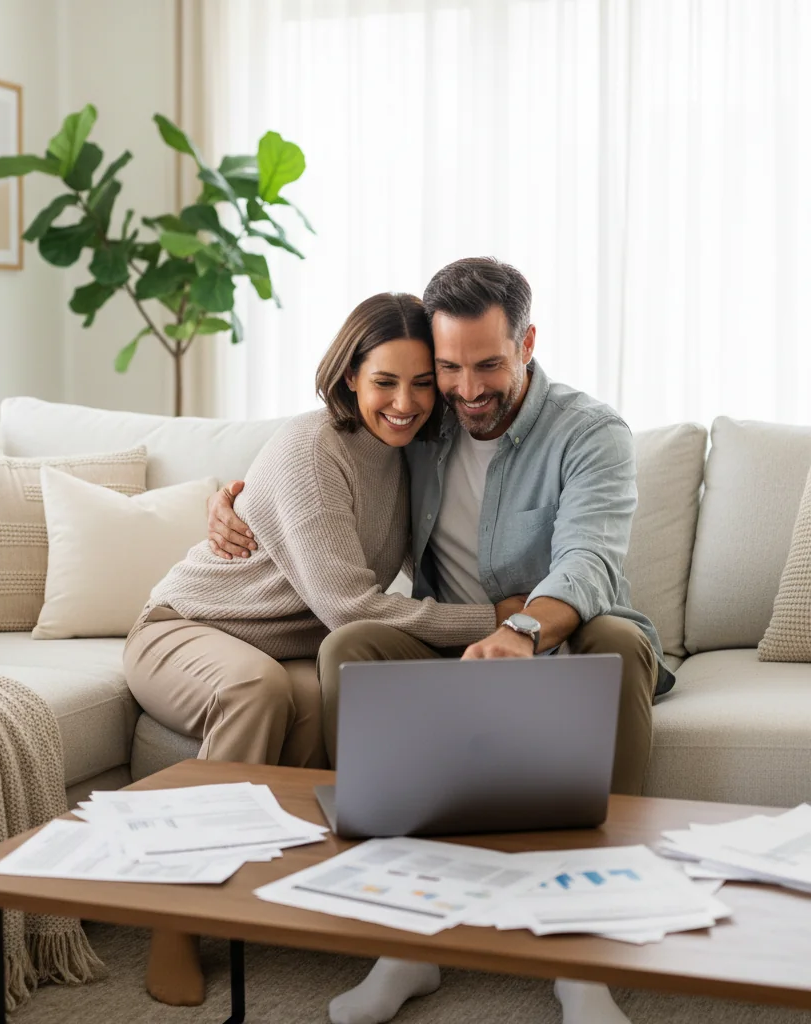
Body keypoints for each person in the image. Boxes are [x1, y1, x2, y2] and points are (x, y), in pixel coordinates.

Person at [207, 257, 672, 1024]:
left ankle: (583, 961)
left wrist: (521, 629)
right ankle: (404, 941)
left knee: (619, 643)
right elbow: (317, 452)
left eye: (487, 365)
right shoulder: (424, 418)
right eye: (448, 369)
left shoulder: (589, 432)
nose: (466, 389)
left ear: (527, 343)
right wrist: (227, 499)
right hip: (447, 642)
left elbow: (588, 561)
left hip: (564, 635)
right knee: (350, 646)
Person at [124, 291, 516, 1006]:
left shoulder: (412, 454)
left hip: (289, 646)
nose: (406, 402)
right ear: (348, 377)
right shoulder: (313, 449)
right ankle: (174, 918)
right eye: (385, 382)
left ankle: (310, 888)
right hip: (188, 626)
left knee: (333, 694)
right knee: (257, 691)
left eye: (422, 383)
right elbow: (349, 606)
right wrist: (492, 618)